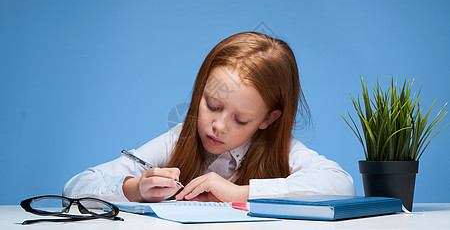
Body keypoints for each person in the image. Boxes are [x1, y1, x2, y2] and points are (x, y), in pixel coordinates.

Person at [63, 32, 356, 203]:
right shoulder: (179, 138)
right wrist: (135, 188)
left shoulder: (284, 150)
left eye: (241, 120)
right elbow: (77, 186)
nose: (218, 126)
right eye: (212, 105)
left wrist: (239, 193)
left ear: (268, 119)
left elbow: (342, 185)